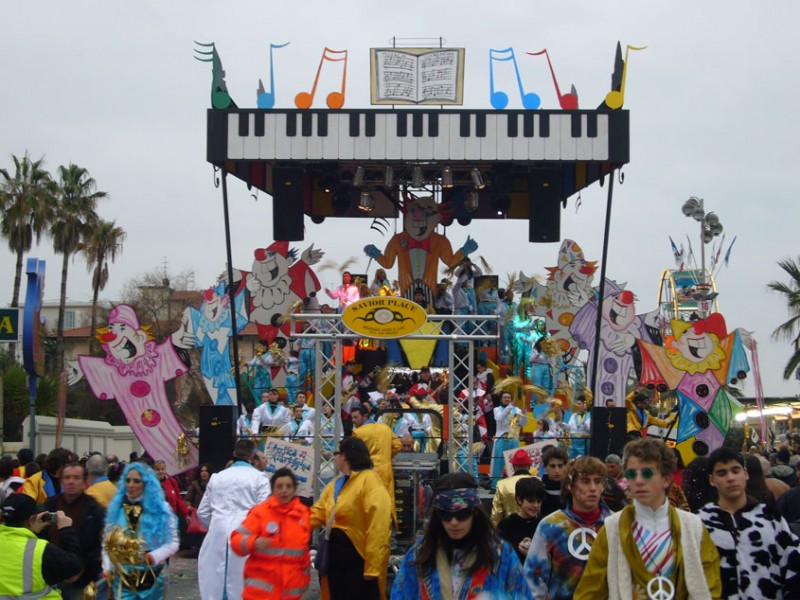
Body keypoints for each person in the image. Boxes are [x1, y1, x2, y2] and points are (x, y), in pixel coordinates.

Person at [574, 438, 721, 600]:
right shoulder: (612, 528)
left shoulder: (693, 526)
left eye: (647, 473)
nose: (638, 481)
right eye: (631, 473)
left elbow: (710, 588)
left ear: (666, 479)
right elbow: (589, 591)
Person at [391, 472, 532, 599]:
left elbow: (523, 595)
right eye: (446, 514)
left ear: (475, 512)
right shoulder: (418, 555)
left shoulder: (501, 555)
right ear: (437, 515)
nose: (454, 522)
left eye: (461, 514)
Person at [698, 446, 800, 599]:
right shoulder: (701, 523)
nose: (730, 478)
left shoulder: (770, 518)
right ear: (712, 480)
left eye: (735, 470)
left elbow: (793, 565)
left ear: (745, 474)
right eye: (722, 473)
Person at [310, 436, 392, 599]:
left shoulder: (371, 482)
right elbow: (318, 512)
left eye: (337, 453)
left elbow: (379, 528)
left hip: (359, 561)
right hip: (335, 561)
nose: (335, 457)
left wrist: (373, 566)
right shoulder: (337, 482)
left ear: (345, 456)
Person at [524, 456, 612, 599]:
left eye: (598, 481)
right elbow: (533, 581)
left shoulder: (615, 524)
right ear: (570, 485)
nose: (593, 488)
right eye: (585, 481)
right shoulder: (551, 525)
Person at [197, 439, 272, 600]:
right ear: (252, 456)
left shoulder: (216, 477)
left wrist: (217, 526)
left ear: (234, 454)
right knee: (243, 587)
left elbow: (202, 512)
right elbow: (264, 513)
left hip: (217, 535)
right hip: (245, 536)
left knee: (214, 587)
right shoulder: (260, 478)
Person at [230, 468, 311, 600]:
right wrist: (253, 542)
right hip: (261, 594)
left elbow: (304, 553)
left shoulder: (303, 514)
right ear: (272, 489)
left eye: (288, 486)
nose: (284, 490)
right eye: (279, 486)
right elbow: (235, 540)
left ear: (294, 489)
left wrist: (305, 579)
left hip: (291, 593)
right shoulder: (260, 513)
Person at [102, 462, 179, 599]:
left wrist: (152, 557)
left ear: (146, 483)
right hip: (123, 580)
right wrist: (107, 567)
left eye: (136, 481)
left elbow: (173, 542)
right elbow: (107, 544)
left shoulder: (162, 509)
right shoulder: (116, 508)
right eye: (128, 480)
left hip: (153, 579)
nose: (131, 485)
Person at [0, 493, 83, 599]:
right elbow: (74, 566)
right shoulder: (41, 550)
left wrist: (31, 531)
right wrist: (66, 530)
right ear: (31, 520)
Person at [43, 461, 106, 600]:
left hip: (81, 580)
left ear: (85, 482)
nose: (71, 482)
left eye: (76, 478)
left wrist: (79, 569)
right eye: (67, 477)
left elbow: (101, 545)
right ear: (61, 481)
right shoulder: (49, 506)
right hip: (51, 578)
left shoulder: (94, 509)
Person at [351, 404, 402, 524]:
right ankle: (390, 539)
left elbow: (354, 454)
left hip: (367, 472)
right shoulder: (385, 428)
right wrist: (386, 456)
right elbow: (398, 445)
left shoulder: (358, 433)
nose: (353, 421)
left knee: (368, 507)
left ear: (364, 416)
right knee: (387, 505)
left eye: (355, 417)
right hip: (385, 470)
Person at [498, 477, 545, 563]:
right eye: (531, 501)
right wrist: (517, 548)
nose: (536, 505)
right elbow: (499, 553)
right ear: (519, 500)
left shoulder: (544, 523)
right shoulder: (507, 525)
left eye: (539, 501)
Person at [490, 391, 527, 490]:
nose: (507, 399)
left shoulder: (517, 410)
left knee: (514, 463)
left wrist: (524, 413)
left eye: (509, 397)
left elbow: (523, 424)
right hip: (501, 437)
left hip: (513, 438)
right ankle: (495, 486)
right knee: (498, 462)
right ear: (501, 399)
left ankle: (514, 485)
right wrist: (510, 407)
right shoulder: (497, 409)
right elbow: (499, 418)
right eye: (505, 397)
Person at [491, 448, 535, 526]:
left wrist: (494, 534)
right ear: (529, 466)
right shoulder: (540, 482)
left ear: (513, 466)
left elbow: (496, 515)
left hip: (509, 531)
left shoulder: (502, 484)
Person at [154, 459, 189, 525]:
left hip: (171, 518)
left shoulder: (172, 481)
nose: (161, 472)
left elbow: (179, 499)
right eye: (158, 470)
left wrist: (186, 514)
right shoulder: (151, 483)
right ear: (154, 471)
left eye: (162, 469)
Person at [540, 445, 568, 518]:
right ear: (545, 468)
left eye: (560, 466)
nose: (557, 471)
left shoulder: (572, 490)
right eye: (552, 466)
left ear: (566, 466)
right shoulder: (539, 490)